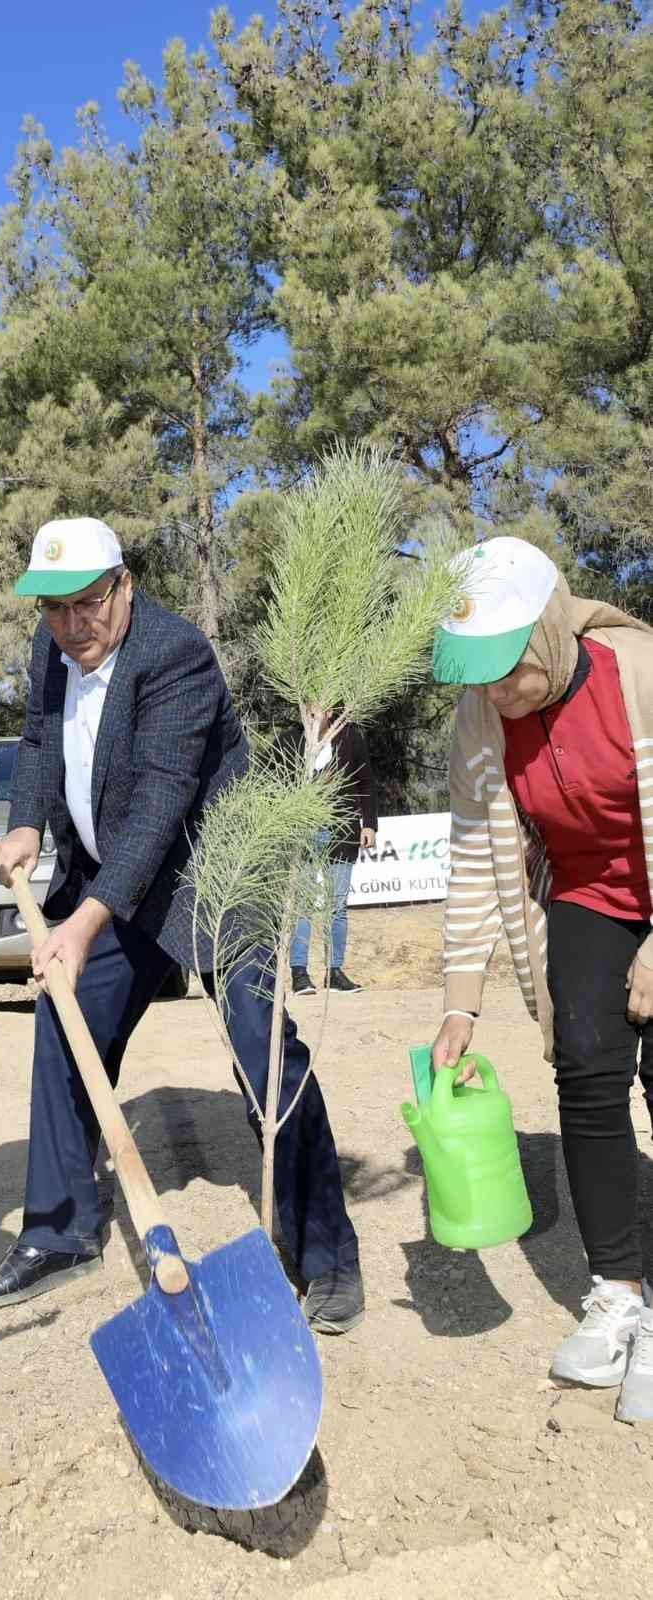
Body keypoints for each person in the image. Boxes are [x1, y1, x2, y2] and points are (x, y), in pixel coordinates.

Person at [0, 517, 362, 1333]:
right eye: (55, 609)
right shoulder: (54, 652)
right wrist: (28, 822)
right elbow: (39, 742)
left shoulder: (175, 657)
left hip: (211, 880)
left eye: (88, 603)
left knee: (263, 1051)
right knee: (66, 1029)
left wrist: (80, 924)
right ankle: (61, 1232)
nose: (73, 625)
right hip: (113, 881)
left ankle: (325, 1257)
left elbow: (159, 805)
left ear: (125, 585)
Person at [430, 535, 653, 1422]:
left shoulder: (637, 667)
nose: (495, 688)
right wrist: (459, 999)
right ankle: (618, 1294)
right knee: (587, 1076)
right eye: (475, 670)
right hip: (591, 894)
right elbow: (474, 857)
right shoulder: (482, 719)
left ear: (551, 629)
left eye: (506, 665)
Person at [279, 718, 378, 997]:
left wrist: (369, 823)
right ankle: (299, 974)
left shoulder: (351, 738)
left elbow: (366, 781)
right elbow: (270, 779)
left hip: (342, 831)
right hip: (302, 833)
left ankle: (335, 972)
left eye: (319, 709)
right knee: (302, 905)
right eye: (308, 709)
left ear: (331, 710)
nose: (313, 714)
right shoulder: (289, 739)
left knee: (338, 905)